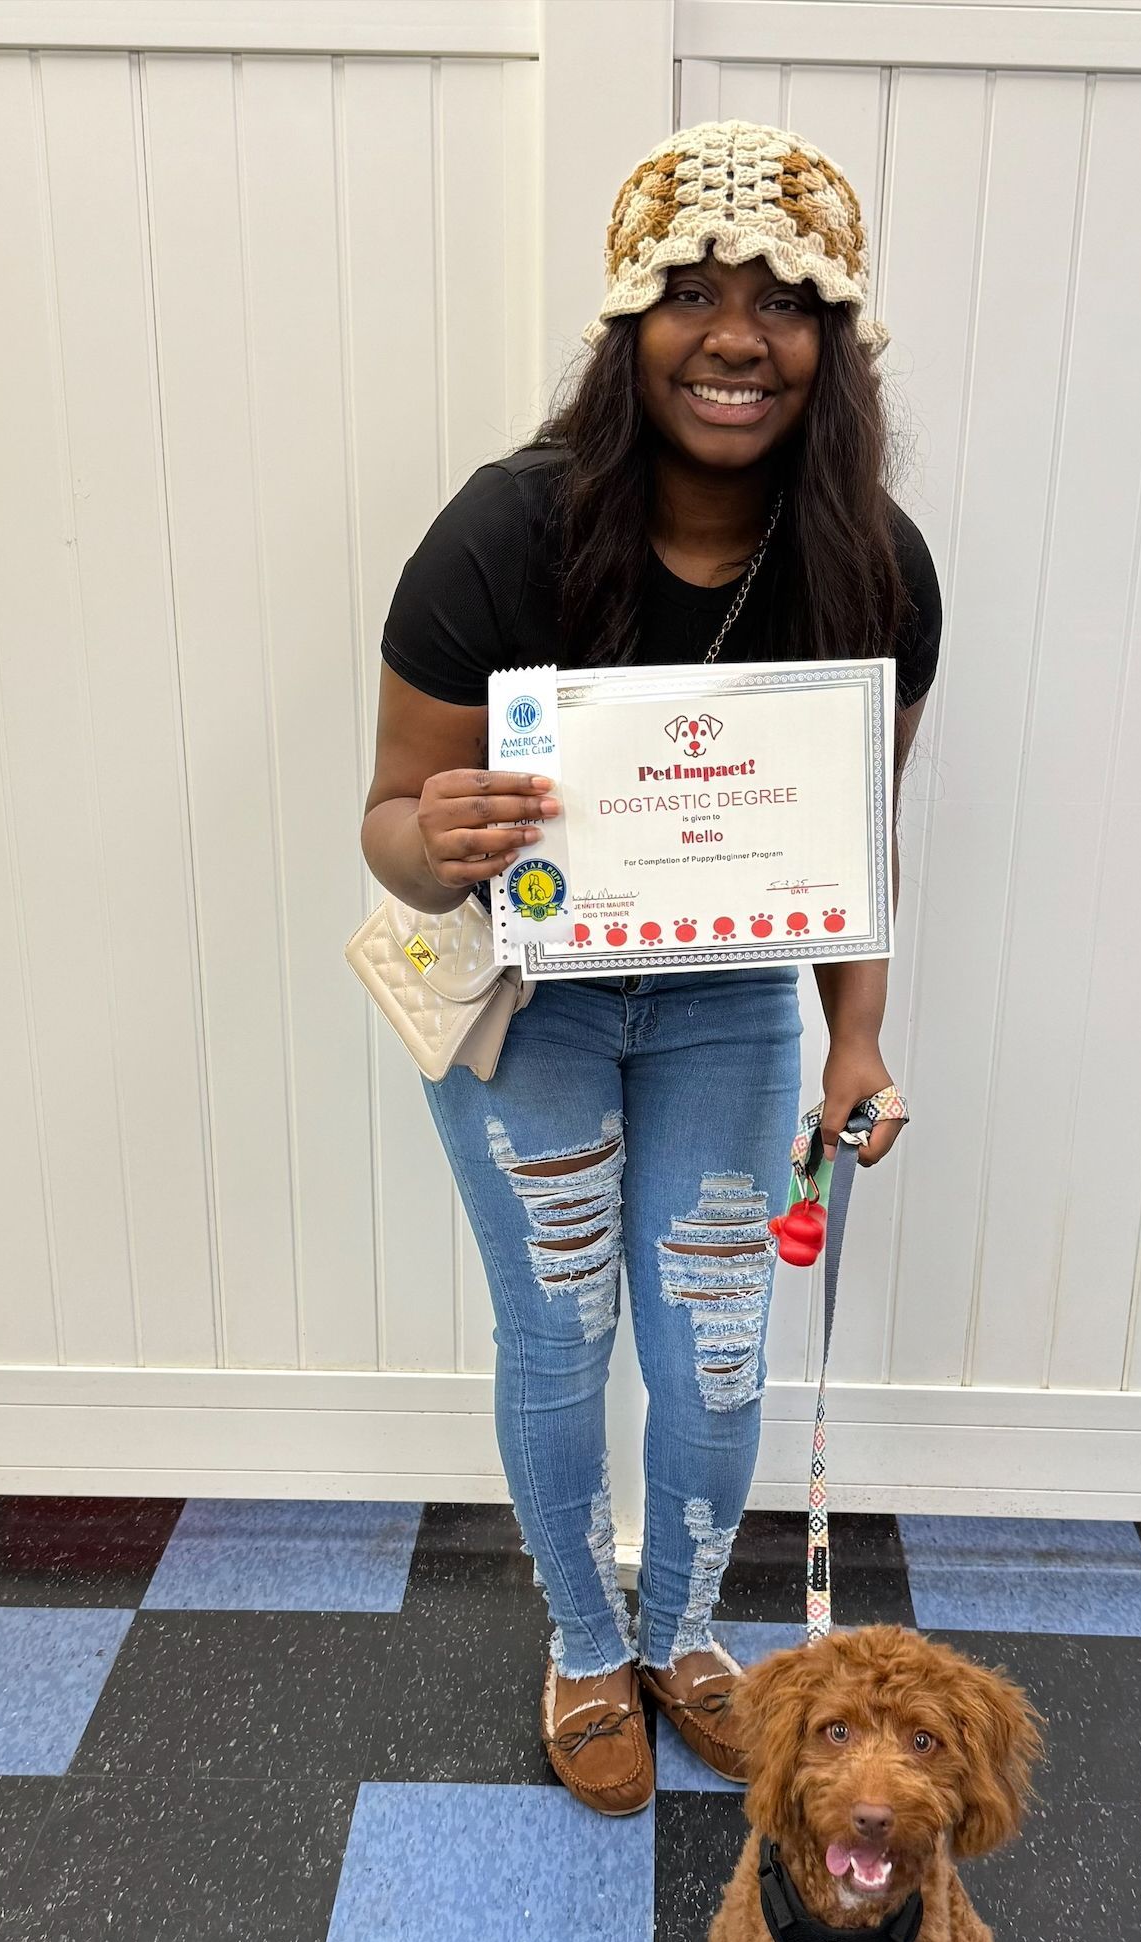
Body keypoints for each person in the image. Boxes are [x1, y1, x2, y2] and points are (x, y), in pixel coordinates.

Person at [361, 122, 941, 1815]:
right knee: (556, 1337)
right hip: (519, 994)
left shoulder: (875, 561)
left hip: (726, 1001)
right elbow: (387, 827)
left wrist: (860, 1044)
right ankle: (578, 1641)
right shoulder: (502, 530)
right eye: (690, 293)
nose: (736, 334)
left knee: (713, 1339)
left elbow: (854, 848)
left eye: (786, 300)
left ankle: (685, 1632)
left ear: (836, 344)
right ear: (630, 327)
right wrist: (439, 833)